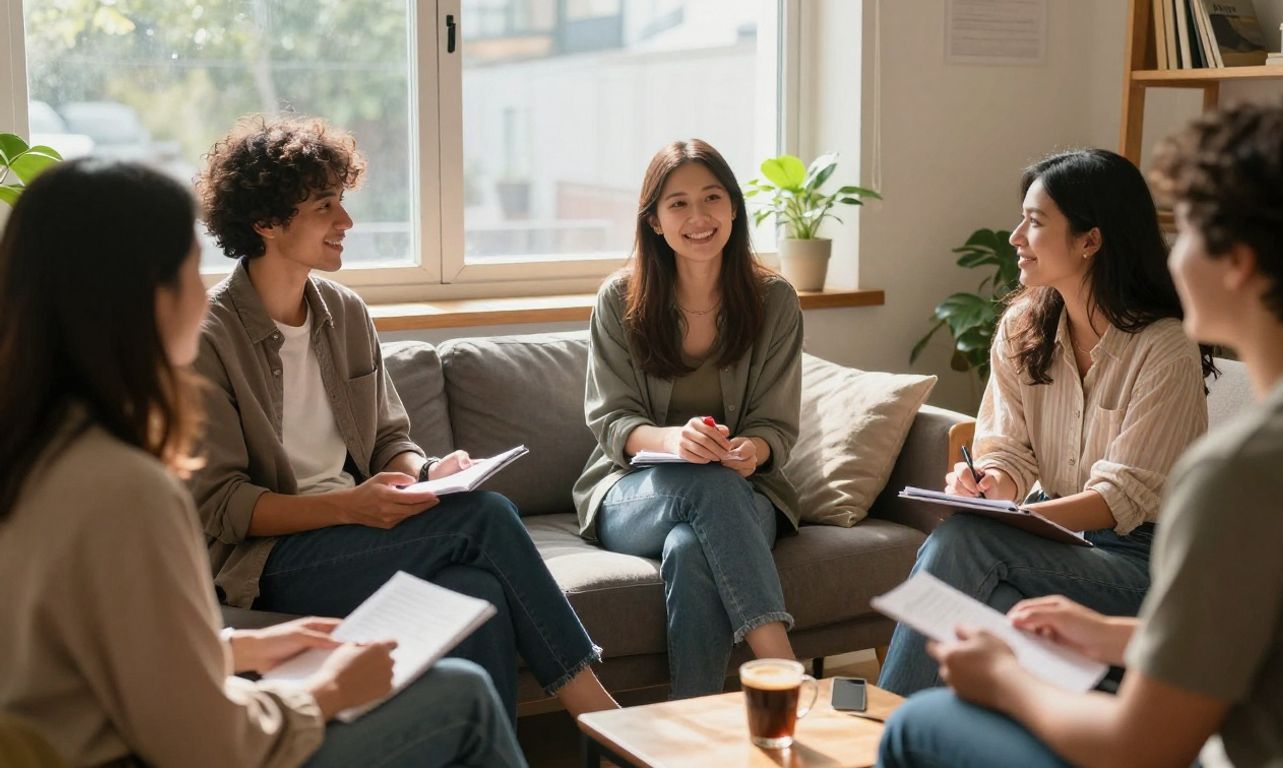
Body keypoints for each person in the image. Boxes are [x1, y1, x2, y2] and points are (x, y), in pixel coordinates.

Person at [877, 98, 1283, 768]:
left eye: (1186, 230)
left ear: (1240, 261)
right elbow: (1282, 638)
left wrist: (1003, 681)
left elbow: (1141, 748)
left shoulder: (1242, 473)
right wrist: (1116, 636)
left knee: (921, 726)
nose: (1171, 253)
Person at [0, 158, 528, 768]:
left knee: (473, 589)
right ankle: (600, 720)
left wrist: (234, 651)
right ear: (141, 296)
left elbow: (89, 659)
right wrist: (326, 693)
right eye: (187, 268)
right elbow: (206, 743)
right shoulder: (127, 489)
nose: (204, 291)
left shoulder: (37, 454)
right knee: (460, 694)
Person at [190, 115, 616, 720]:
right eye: (324, 206)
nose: (347, 222)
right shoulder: (208, 338)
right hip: (270, 561)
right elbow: (226, 506)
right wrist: (348, 505)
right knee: (486, 518)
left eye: (342, 202)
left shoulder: (345, 312)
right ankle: (601, 717)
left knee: (481, 592)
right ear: (265, 222)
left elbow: (392, 438)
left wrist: (424, 470)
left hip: (357, 530)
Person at [878, 148, 1216, 697]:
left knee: (968, 541)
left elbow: (1120, 497)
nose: (1015, 236)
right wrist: (989, 484)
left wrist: (1007, 521)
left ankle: (886, 727)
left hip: (1140, 563)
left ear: (1091, 240)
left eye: (1034, 222)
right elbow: (1008, 450)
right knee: (1000, 605)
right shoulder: (1022, 329)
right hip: (1055, 546)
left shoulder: (1164, 349)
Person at [572, 139, 803, 698]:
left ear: (733, 208)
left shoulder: (775, 301)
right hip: (633, 494)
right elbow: (612, 420)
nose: (698, 217)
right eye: (677, 204)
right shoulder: (619, 299)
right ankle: (785, 674)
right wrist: (676, 441)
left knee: (689, 548)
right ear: (653, 220)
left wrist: (752, 451)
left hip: (744, 493)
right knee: (708, 486)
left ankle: (688, 729)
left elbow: (777, 426)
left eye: (712, 198)